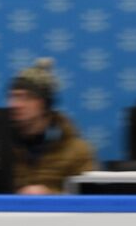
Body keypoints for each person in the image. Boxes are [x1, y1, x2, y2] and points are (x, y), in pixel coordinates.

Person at [8, 57, 96, 194]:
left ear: (45, 104)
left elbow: (89, 201)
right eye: (13, 97)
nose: (15, 105)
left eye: (27, 97)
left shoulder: (77, 151)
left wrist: (49, 196)